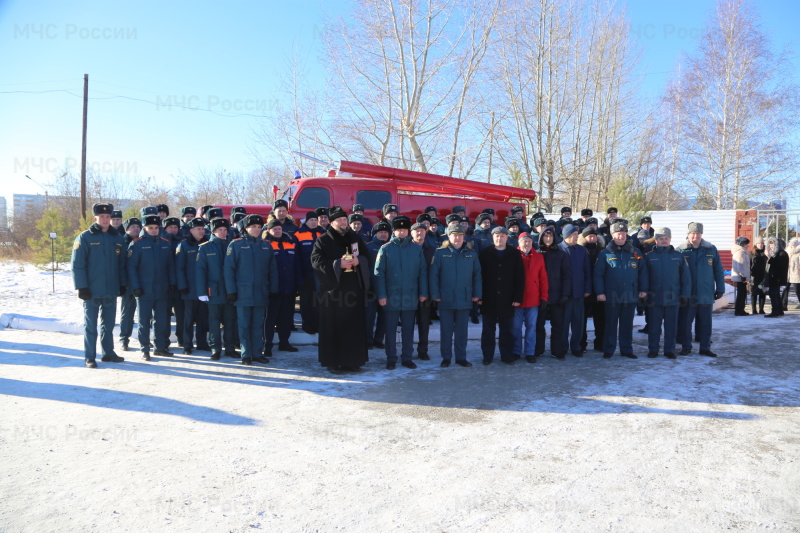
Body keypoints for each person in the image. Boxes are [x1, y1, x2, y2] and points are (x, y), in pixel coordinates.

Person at [311, 207, 371, 373]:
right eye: (340, 220)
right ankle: (333, 362)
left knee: (353, 326)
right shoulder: (322, 240)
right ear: (332, 223)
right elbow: (316, 262)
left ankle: (352, 361)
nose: (344, 223)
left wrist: (359, 262)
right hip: (333, 293)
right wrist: (338, 264)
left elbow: (367, 257)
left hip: (353, 291)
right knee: (333, 327)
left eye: (345, 220)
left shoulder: (355, 238)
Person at [71, 203, 127, 368]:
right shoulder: (85, 237)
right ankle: (90, 357)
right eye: (101, 216)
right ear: (95, 218)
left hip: (110, 289)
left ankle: (108, 353)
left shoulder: (117, 238)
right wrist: (82, 287)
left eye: (107, 216)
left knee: (108, 325)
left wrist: (122, 284)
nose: (105, 219)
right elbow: (77, 265)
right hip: (92, 291)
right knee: (90, 326)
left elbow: (122, 264)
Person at [224, 214, 279, 365]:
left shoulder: (266, 246)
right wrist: (231, 291)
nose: (256, 229)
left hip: (261, 292)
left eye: (259, 227)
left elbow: (272, 269)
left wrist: (273, 288)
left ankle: (257, 353)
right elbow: (229, 270)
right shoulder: (235, 245)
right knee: (243, 325)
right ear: (246, 228)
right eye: (253, 227)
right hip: (242, 293)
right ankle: (246, 354)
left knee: (258, 325)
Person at [375, 216, 428, 369]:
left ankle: (407, 358)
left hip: (410, 295)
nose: (401, 233)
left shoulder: (416, 249)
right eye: (398, 230)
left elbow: (422, 273)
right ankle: (391, 358)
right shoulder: (386, 249)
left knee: (408, 329)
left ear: (408, 232)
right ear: (394, 231)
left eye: (404, 230)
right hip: (391, 296)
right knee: (390, 329)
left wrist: (423, 292)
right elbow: (379, 274)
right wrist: (382, 295)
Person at [593, 220, 648, 359]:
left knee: (627, 325)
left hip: (630, 294)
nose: (621, 237)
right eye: (618, 234)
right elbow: (598, 275)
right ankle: (609, 349)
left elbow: (643, 272)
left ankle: (626, 349)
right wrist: (600, 292)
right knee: (610, 324)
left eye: (623, 234)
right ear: (612, 235)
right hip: (612, 295)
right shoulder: (605, 254)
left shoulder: (635, 252)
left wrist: (643, 289)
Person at [429, 223, 481, 367]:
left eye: (460, 235)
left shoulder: (471, 253)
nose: (457, 238)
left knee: (462, 331)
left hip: (465, 297)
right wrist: (435, 294)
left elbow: (477, 275)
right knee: (446, 331)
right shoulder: (440, 253)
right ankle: (446, 357)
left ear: (464, 237)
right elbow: (434, 275)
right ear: (449, 236)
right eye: (454, 235)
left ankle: (461, 357)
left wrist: (477, 294)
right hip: (446, 297)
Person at [128, 214, 177, 361]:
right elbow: (131, 268)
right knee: (144, 321)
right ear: (145, 228)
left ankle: (160, 347)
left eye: (156, 228)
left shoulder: (165, 243)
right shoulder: (137, 244)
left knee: (161, 320)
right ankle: (145, 349)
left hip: (162, 289)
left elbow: (170, 266)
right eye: (151, 228)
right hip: (144, 290)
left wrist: (172, 283)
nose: (154, 230)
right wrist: (136, 287)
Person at [675, 222, 725, 355]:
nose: (695, 236)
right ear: (688, 234)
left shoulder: (710, 249)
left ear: (701, 234)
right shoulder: (680, 250)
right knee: (686, 323)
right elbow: (676, 273)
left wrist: (720, 288)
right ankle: (686, 347)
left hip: (705, 293)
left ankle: (705, 348)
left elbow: (718, 270)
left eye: (697, 233)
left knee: (705, 323)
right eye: (692, 233)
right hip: (688, 294)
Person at [478, 226, 524, 365]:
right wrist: (479, 296)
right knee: (488, 330)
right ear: (493, 237)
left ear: (507, 237)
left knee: (506, 330)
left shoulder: (514, 254)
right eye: (497, 236)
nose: (500, 238)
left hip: (508, 298)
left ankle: (507, 356)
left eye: (502, 236)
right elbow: (479, 276)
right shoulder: (485, 253)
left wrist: (517, 298)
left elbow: (520, 277)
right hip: (488, 298)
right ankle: (487, 356)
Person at [643, 228, 691, 359]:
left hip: (673, 297)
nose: (664, 241)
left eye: (666, 238)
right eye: (661, 238)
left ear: (670, 239)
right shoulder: (649, 256)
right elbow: (644, 277)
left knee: (671, 327)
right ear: (656, 240)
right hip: (654, 298)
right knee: (654, 327)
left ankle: (669, 350)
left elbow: (685, 278)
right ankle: (653, 349)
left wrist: (685, 295)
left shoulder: (678, 256)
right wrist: (645, 295)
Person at [196, 217, 238, 360]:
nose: (223, 232)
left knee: (230, 321)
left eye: (225, 230)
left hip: (229, 291)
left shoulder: (231, 245)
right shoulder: (205, 247)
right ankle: (215, 348)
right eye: (220, 230)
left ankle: (230, 348)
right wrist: (202, 292)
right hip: (213, 291)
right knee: (214, 321)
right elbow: (200, 271)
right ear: (213, 231)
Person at [262, 219, 302, 356]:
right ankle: (267, 345)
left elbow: (297, 265)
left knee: (286, 318)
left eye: (279, 228)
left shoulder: (290, 243)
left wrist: (298, 283)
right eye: (274, 229)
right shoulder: (265, 245)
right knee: (270, 319)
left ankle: (284, 343)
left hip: (288, 288)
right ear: (268, 231)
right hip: (273, 290)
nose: (277, 231)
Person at [534, 227, 571, 359]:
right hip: (540, 297)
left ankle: (557, 350)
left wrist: (565, 294)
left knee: (557, 324)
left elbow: (566, 275)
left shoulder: (561, 255)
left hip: (557, 296)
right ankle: (538, 349)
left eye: (550, 237)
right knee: (539, 324)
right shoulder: (537, 254)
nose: (548, 239)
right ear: (541, 238)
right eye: (545, 237)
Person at [176, 217, 209, 355]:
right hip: (189, 289)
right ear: (191, 230)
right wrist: (182, 285)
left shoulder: (208, 244)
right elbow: (179, 268)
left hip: (205, 289)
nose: (201, 231)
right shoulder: (183, 245)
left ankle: (202, 343)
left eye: (202, 229)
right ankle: (187, 344)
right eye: (198, 229)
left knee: (203, 317)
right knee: (188, 319)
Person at [558, 224, 591, 357]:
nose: (576, 238)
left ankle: (576, 346)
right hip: (564, 294)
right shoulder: (559, 249)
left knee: (578, 322)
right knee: (564, 323)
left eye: (577, 235)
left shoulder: (582, 250)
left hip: (579, 293)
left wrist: (588, 288)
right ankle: (563, 346)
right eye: (573, 235)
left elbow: (587, 271)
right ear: (566, 236)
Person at [515, 232, 548, 363]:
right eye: (524, 241)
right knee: (516, 327)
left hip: (533, 299)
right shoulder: (513, 255)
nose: (526, 244)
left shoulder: (539, 257)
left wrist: (544, 297)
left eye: (529, 241)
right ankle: (516, 351)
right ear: (519, 243)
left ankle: (529, 352)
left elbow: (543, 279)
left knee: (531, 327)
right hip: (517, 300)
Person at [295, 211, 325, 334]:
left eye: (315, 220)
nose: (313, 222)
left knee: (319, 300)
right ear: (306, 222)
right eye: (311, 220)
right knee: (306, 301)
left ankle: (318, 325)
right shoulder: (298, 234)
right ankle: (307, 325)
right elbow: (296, 257)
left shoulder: (323, 233)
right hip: (305, 273)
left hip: (320, 274)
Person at [410, 221, 435, 360]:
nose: (419, 233)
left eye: (422, 231)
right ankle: (407, 351)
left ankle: (422, 350)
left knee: (424, 323)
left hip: (426, 294)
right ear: (411, 233)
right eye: (416, 231)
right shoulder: (406, 248)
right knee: (408, 325)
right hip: (409, 292)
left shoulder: (432, 250)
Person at [578, 227, 606, 352]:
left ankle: (599, 343)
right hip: (584, 291)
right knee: (581, 320)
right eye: (589, 236)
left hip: (599, 290)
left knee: (600, 320)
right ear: (584, 238)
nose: (592, 238)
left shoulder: (602, 251)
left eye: (594, 236)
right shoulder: (580, 250)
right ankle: (581, 344)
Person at [365, 221, 391, 348]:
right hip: (371, 289)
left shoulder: (392, 247)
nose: (383, 235)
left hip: (387, 288)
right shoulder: (368, 247)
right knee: (369, 317)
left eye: (386, 232)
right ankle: (368, 341)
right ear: (375, 233)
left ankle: (378, 339)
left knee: (384, 316)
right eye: (381, 232)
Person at [119, 217, 141, 352]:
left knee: (144, 315)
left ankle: (143, 339)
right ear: (127, 229)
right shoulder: (121, 242)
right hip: (128, 284)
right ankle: (124, 339)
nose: (136, 229)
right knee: (127, 313)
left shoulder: (142, 242)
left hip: (141, 283)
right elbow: (120, 265)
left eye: (138, 226)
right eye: (133, 226)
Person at [763, 236, 789, 318]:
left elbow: (778, 266)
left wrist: (769, 257)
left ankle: (775, 311)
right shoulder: (777, 253)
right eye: (770, 246)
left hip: (777, 278)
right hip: (775, 277)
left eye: (773, 245)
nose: (771, 247)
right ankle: (779, 310)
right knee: (776, 294)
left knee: (773, 294)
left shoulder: (782, 254)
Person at [731, 236, 751, 316]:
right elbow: (740, 266)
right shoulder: (740, 253)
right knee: (741, 294)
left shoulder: (742, 252)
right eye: (746, 244)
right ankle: (739, 310)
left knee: (742, 294)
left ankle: (741, 310)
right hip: (741, 277)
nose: (747, 245)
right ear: (742, 244)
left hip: (742, 277)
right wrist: (743, 276)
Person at [750, 237, 768, 314]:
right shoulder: (752, 253)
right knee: (754, 293)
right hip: (754, 275)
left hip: (763, 275)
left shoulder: (766, 253)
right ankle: (754, 309)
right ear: (756, 244)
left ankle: (761, 309)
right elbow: (749, 264)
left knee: (762, 292)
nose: (760, 245)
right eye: (759, 243)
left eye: (762, 243)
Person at [784, 238, 800, 310]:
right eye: (790, 245)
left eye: (793, 245)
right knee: (785, 290)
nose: (791, 247)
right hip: (787, 274)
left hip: (796, 274)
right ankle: (784, 305)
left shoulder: (798, 253)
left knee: (797, 290)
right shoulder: (787, 253)